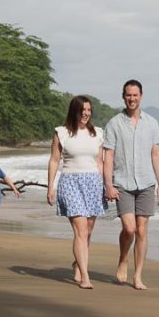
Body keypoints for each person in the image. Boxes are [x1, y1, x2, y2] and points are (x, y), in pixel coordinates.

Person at [103, 80, 159, 290]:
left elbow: (155, 154)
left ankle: (138, 276)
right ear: (123, 96)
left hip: (147, 182)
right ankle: (123, 258)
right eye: (128, 95)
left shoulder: (152, 123)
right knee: (129, 229)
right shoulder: (114, 124)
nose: (132, 99)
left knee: (142, 230)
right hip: (123, 182)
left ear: (141, 96)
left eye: (135, 95)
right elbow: (108, 156)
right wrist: (108, 185)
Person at [46, 95, 107, 289]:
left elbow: (100, 161)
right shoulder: (61, 132)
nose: (86, 114)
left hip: (93, 183)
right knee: (80, 231)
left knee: (88, 231)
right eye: (82, 110)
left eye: (89, 110)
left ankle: (78, 262)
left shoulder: (97, 133)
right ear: (75, 111)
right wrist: (50, 187)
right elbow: (54, 160)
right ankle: (85, 276)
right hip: (70, 182)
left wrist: (108, 185)